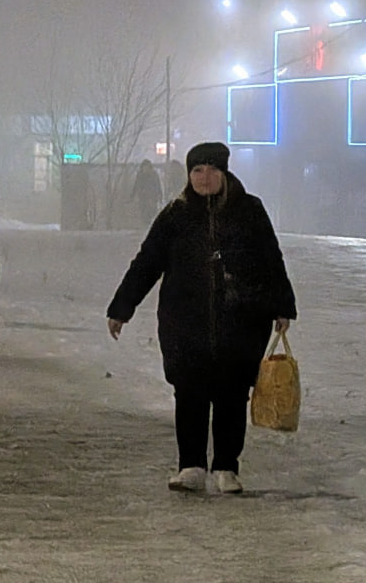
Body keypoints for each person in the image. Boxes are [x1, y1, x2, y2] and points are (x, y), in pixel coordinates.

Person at [106, 142, 297, 494]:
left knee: (231, 394)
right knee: (189, 393)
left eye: (211, 170)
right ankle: (191, 465)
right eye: (197, 170)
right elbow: (147, 262)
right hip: (184, 321)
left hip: (241, 320)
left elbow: (271, 259)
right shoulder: (175, 215)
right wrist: (121, 308)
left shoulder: (249, 211)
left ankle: (226, 467)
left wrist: (283, 306)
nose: (204, 177)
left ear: (224, 173)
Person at [130, 160, 163, 228]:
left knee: (152, 211)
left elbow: (158, 185)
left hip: (152, 196)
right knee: (144, 212)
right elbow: (136, 185)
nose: (145, 169)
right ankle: (145, 225)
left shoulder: (154, 175)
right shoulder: (140, 175)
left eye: (147, 167)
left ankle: (151, 225)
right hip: (143, 197)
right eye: (144, 167)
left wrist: (160, 196)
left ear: (149, 167)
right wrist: (133, 195)